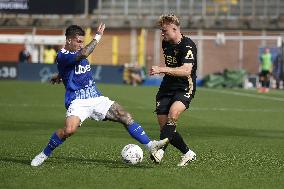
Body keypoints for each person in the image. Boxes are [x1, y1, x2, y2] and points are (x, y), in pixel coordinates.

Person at [31, 24, 168, 167]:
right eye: (78, 41)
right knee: (69, 130)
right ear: (69, 40)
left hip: (95, 98)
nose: (81, 45)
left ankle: (150, 145)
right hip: (77, 101)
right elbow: (83, 54)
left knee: (124, 115)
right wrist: (97, 36)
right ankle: (44, 154)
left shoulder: (72, 55)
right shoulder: (62, 55)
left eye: (82, 42)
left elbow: (70, 67)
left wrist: (60, 76)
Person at [149, 14, 197, 167]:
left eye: (165, 31)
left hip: (184, 86)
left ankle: (160, 150)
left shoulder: (188, 46)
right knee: (166, 129)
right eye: (162, 31)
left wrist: (160, 69)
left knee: (173, 114)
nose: (162, 34)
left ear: (175, 29)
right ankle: (188, 153)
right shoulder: (166, 42)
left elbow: (186, 70)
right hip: (166, 87)